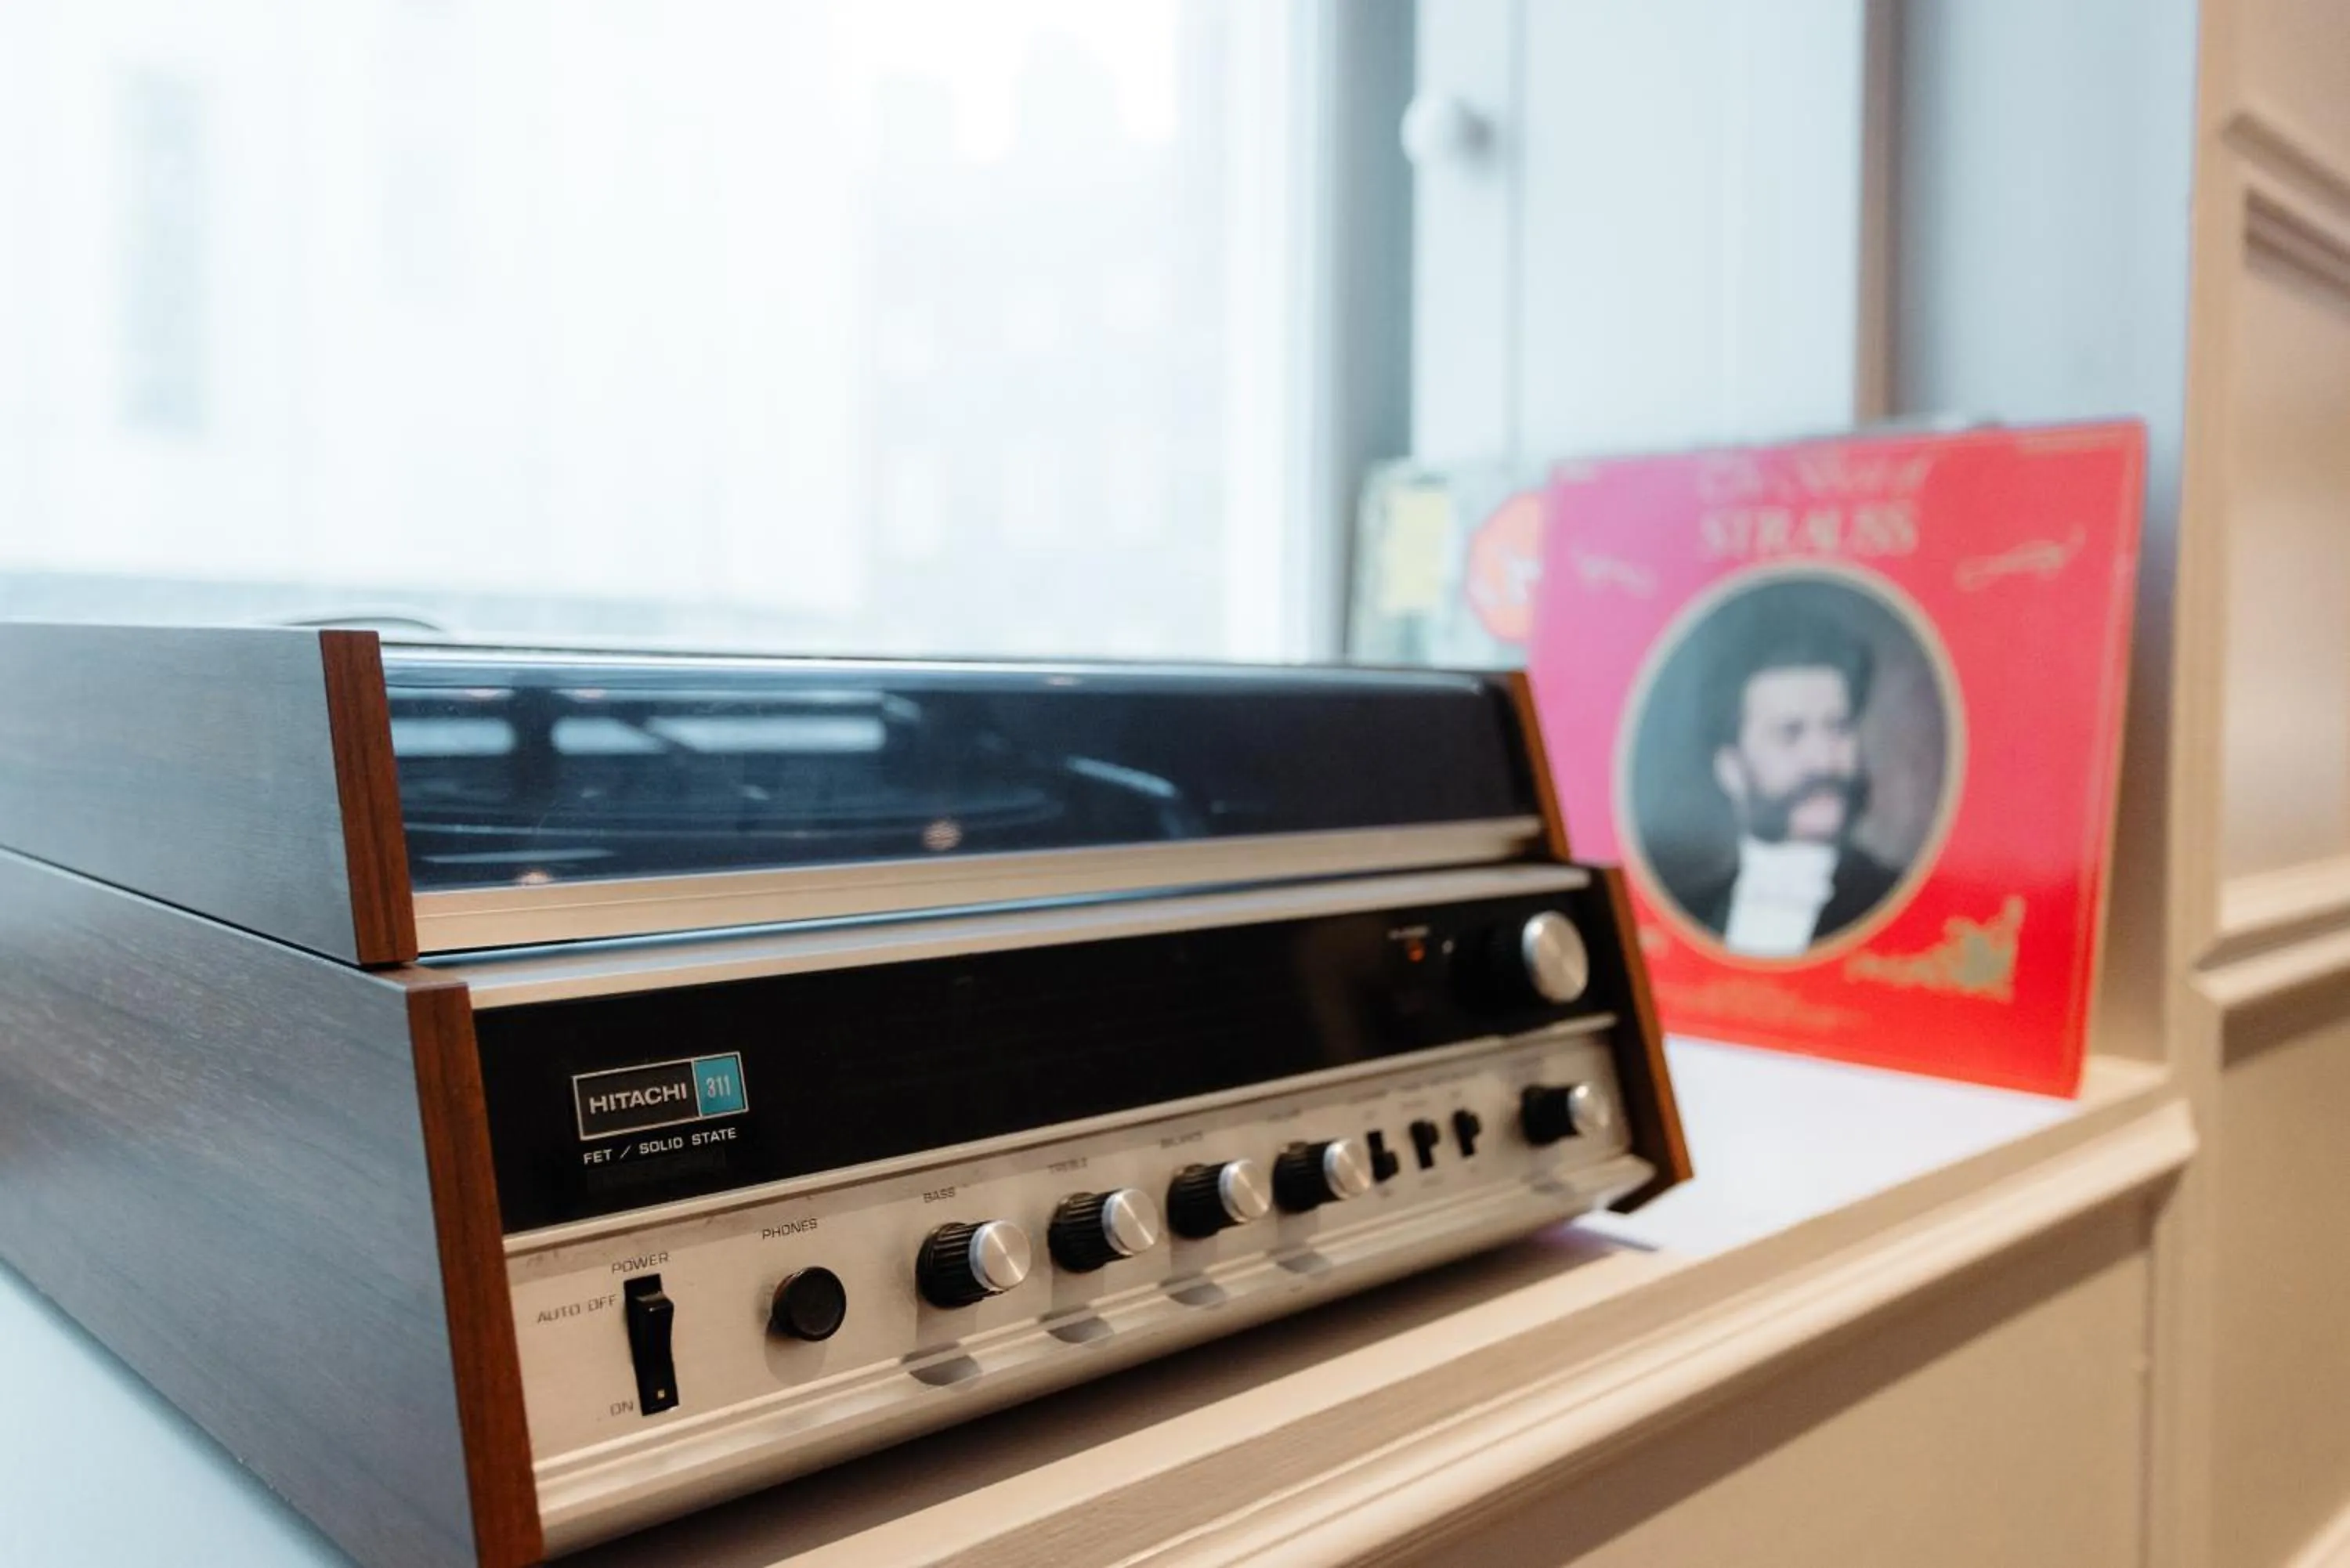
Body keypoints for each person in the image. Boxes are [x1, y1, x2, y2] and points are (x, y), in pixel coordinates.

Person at [1658, 613, 1902, 956]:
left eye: (1838, 728)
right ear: (1732, 770)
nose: (1823, 760)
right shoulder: (1689, 911)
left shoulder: (1897, 902)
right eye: (1790, 733)